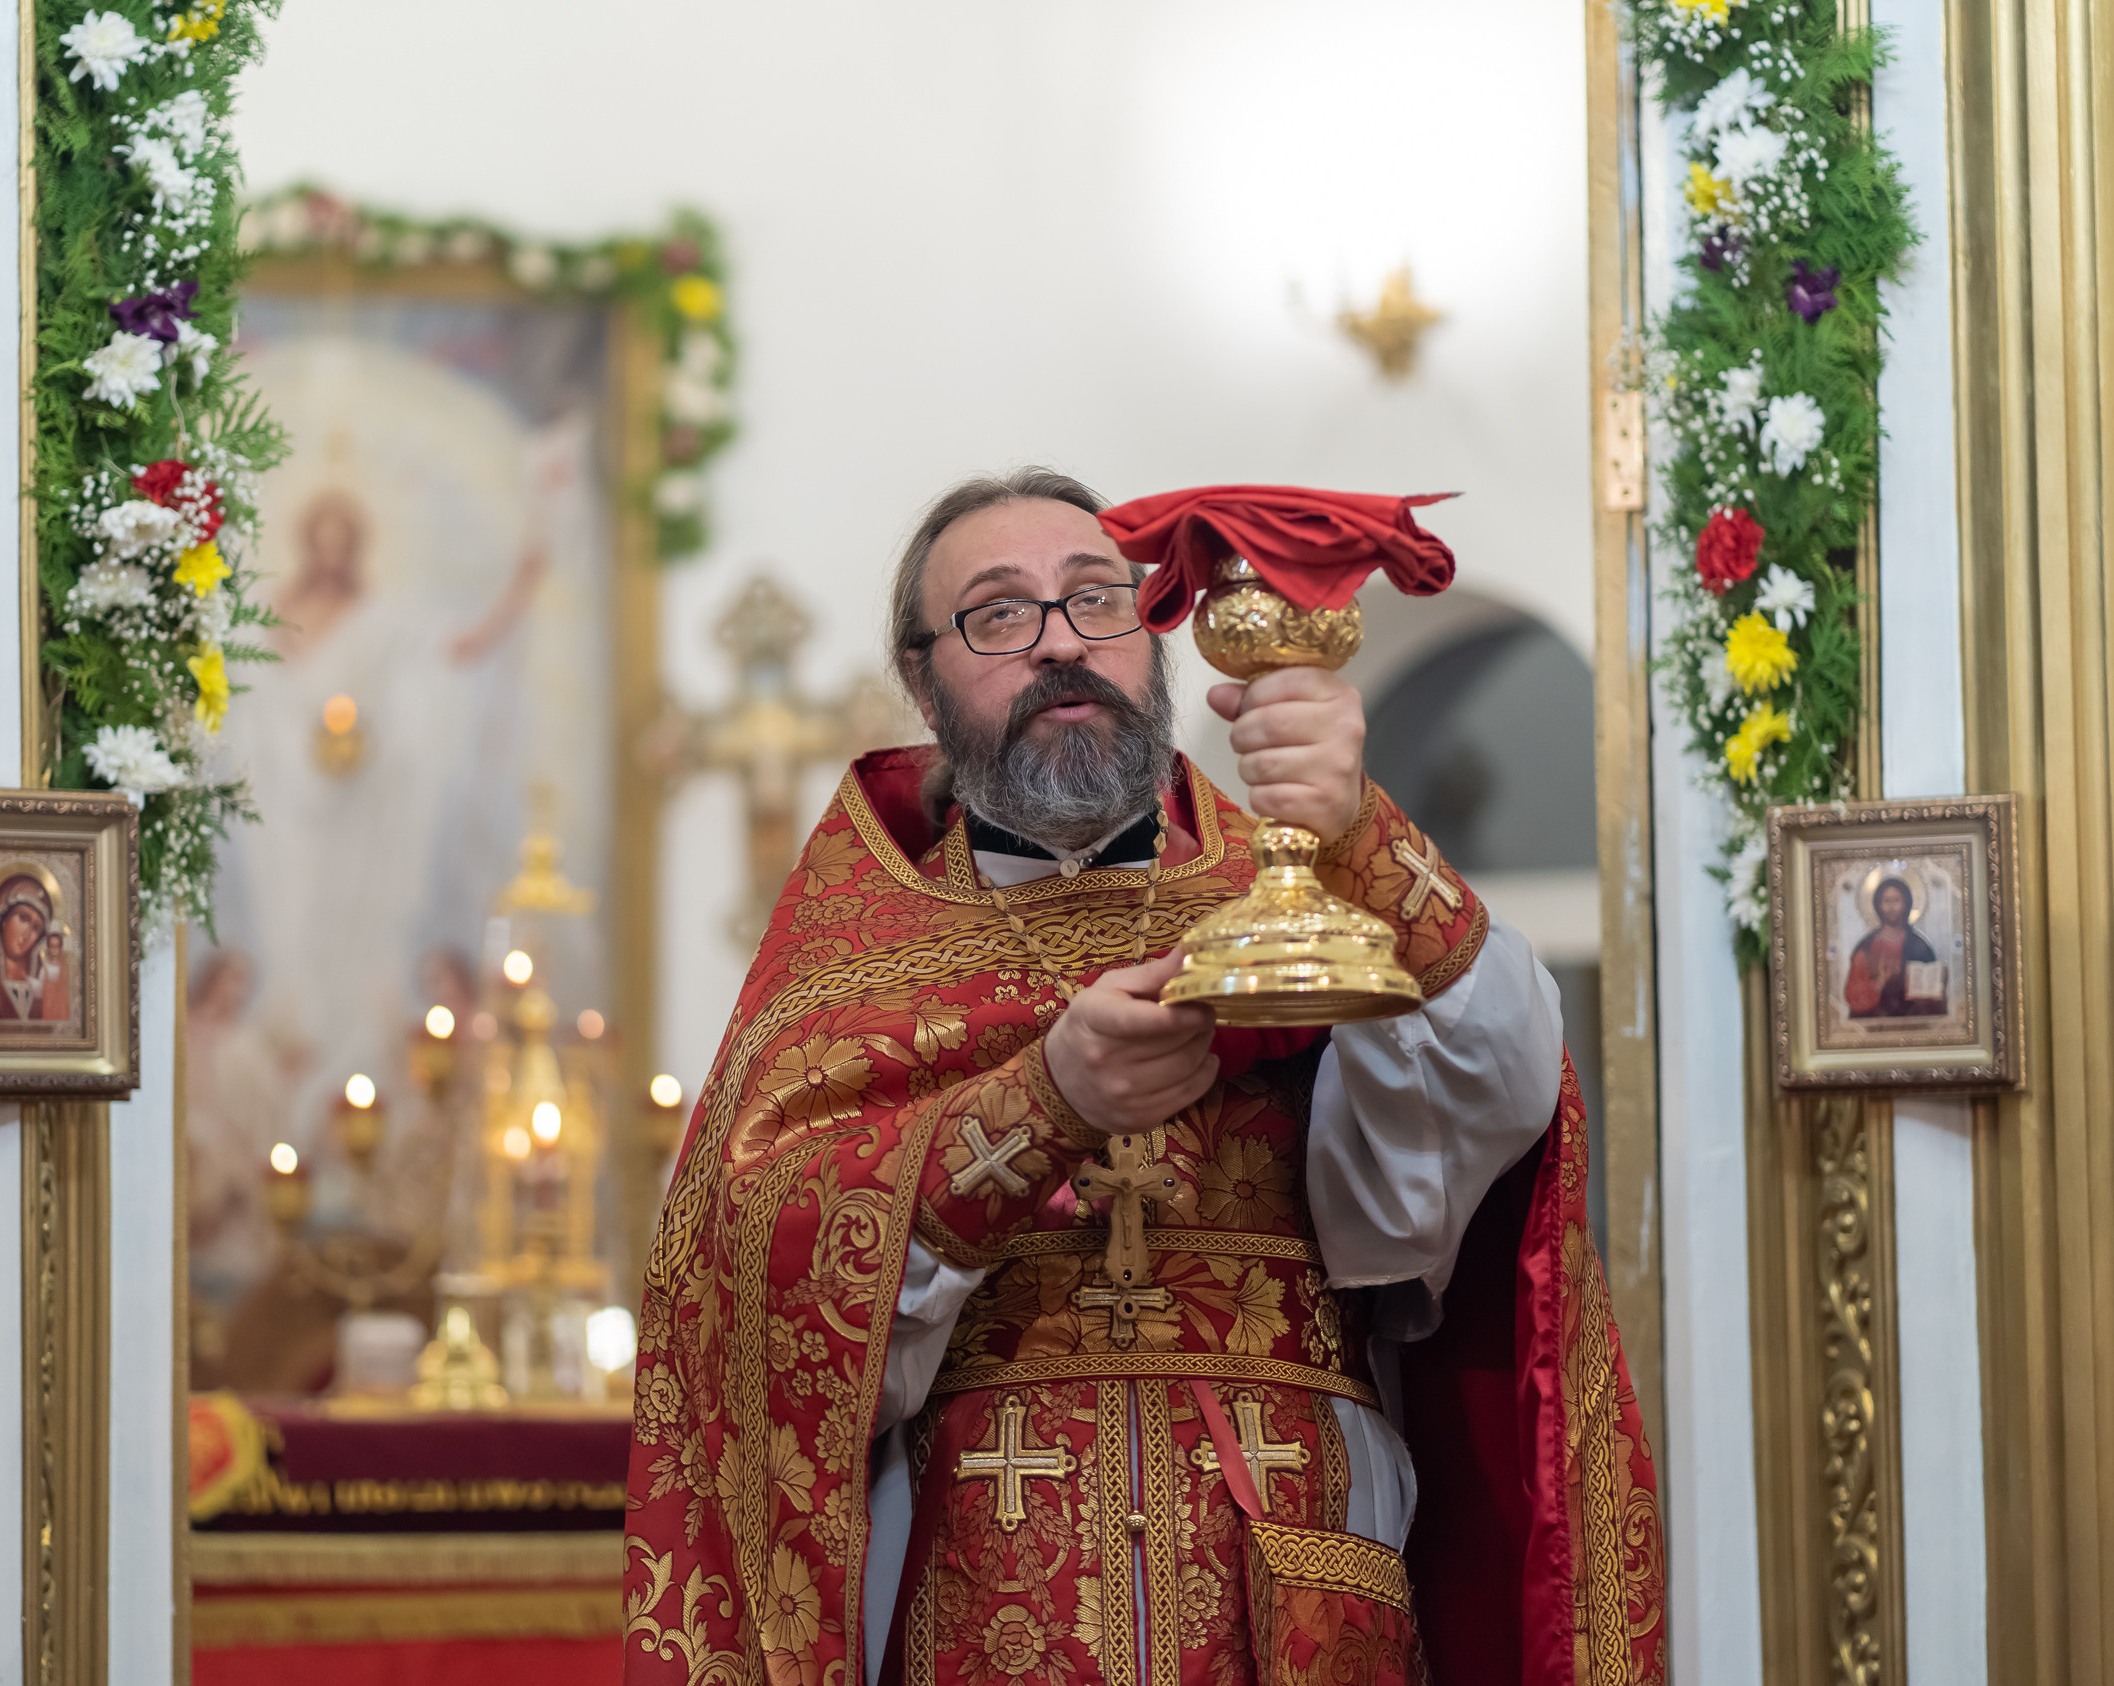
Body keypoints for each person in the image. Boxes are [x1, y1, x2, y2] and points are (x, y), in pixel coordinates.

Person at [623, 470, 1663, 1686]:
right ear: (921, 680)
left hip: (1292, 1587)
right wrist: (1041, 1103)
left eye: (1095, 600)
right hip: (984, 1588)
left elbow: (1497, 1110)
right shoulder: (856, 961)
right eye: (998, 615)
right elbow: (748, 1276)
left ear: (1152, 632)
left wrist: (1356, 831)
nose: (1060, 641)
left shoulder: (1288, 892)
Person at [0, 871, 69, 1023]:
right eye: (23, 918)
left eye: (36, 927)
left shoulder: (43, 988)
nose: (27, 933)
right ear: (3, 920)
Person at [1843, 875, 1944, 1018]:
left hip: (1912, 1022)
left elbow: (1933, 994)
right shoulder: (1866, 947)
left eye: (1896, 900)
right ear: (1878, 905)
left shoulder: (1919, 946)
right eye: (1886, 901)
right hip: (1874, 1023)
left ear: (1906, 903)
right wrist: (1878, 983)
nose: (1891, 907)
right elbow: (1853, 994)